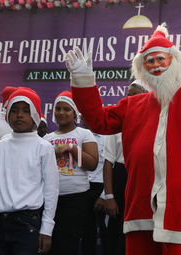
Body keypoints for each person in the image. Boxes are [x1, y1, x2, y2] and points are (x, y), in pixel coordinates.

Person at [65, 22, 181, 255]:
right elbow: (99, 121)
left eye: (160, 59)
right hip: (141, 208)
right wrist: (83, 79)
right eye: (149, 61)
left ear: (173, 61)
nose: (155, 65)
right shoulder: (133, 104)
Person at [0, 87, 59, 254]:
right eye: (14, 110)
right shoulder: (0, 146)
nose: (19, 115)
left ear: (36, 114)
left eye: (26, 110)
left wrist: (47, 229)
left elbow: (51, 190)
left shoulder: (43, 147)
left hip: (27, 223)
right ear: (7, 113)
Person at [94, 80, 149, 255]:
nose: (131, 99)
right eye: (128, 95)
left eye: (136, 94)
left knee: (138, 234)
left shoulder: (154, 123)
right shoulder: (119, 123)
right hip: (120, 180)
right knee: (116, 236)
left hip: (143, 181)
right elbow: (109, 162)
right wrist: (109, 196)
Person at [44, 91, 99, 255]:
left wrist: (72, 149)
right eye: (58, 109)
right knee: (48, 245)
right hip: (49, 198)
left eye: (67, 109)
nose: (61, 113)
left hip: (75, 198)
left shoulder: (83, 134)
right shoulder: (47, 138)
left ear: (75, 113)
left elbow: (92, 164)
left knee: (67, 245)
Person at [80, 115, 106, 255]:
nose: (86, 120)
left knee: (106, 233)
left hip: (101, 189)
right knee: (86, 233)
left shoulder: (107, 137)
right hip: (82, 188)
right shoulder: (77, 138)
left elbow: (111, 168)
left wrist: (105, 195)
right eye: (83, 117)